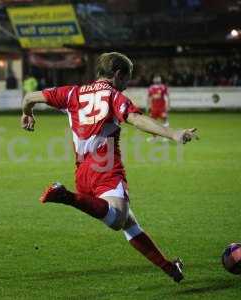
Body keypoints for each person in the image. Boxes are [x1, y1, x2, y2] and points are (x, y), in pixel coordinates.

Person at [21, 52, 198, 283]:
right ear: (117, 75)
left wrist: (27, 113)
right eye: (127, 79)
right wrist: (172, 133)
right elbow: (136, 119)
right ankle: (66, 196)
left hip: (82, 171)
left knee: (129, 223)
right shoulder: (113, 96)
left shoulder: (72, 92)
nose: (127, 84)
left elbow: (29, 97)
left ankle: (170, 268)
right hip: (105, 167)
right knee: (117, 220)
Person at [147, 75, 170, 142]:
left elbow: (167, 97)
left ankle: (166, 137)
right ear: (154, 80)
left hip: (162, 108)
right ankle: (154, 137)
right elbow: (149, 98)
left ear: (160, 80)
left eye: (158, 79)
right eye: (156, 79)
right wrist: (149, 106)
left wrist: (167, 106)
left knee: (164, 121)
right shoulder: (151, 88)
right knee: (153, 123)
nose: (157, 80)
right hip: (154, 108)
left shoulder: (163, 87)